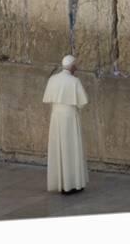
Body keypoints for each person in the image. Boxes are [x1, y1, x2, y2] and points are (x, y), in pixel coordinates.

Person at [42, 54, 89, 194]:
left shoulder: (53, 79)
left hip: (56, 117)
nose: (77, 67)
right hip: (70, 117)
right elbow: (83, 102)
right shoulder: (74, 81)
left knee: (59, 148)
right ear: (73, 66)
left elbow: (49, 98)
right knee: (72, 148)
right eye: (76, 65)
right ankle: (73, 184)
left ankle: (61, 183)